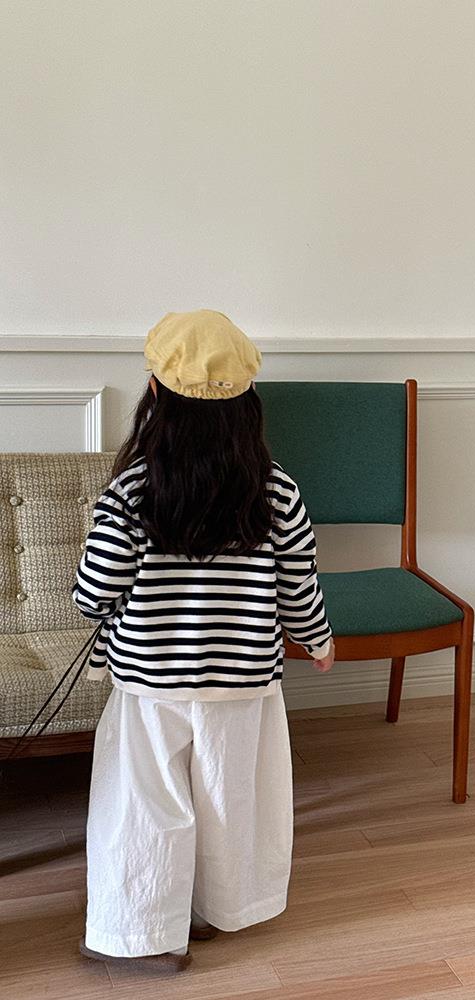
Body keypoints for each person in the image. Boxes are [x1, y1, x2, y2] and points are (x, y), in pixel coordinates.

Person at [72, 309, 335, 972]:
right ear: (248, 403)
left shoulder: (132, 491)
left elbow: (92, 595)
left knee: (143, 807)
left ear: (154, 394)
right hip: (243, 683)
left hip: (150, 685)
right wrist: (318, 641)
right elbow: (298, 586)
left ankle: (144, 933)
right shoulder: (278, 491)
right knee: (228, 800)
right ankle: (214, 909)